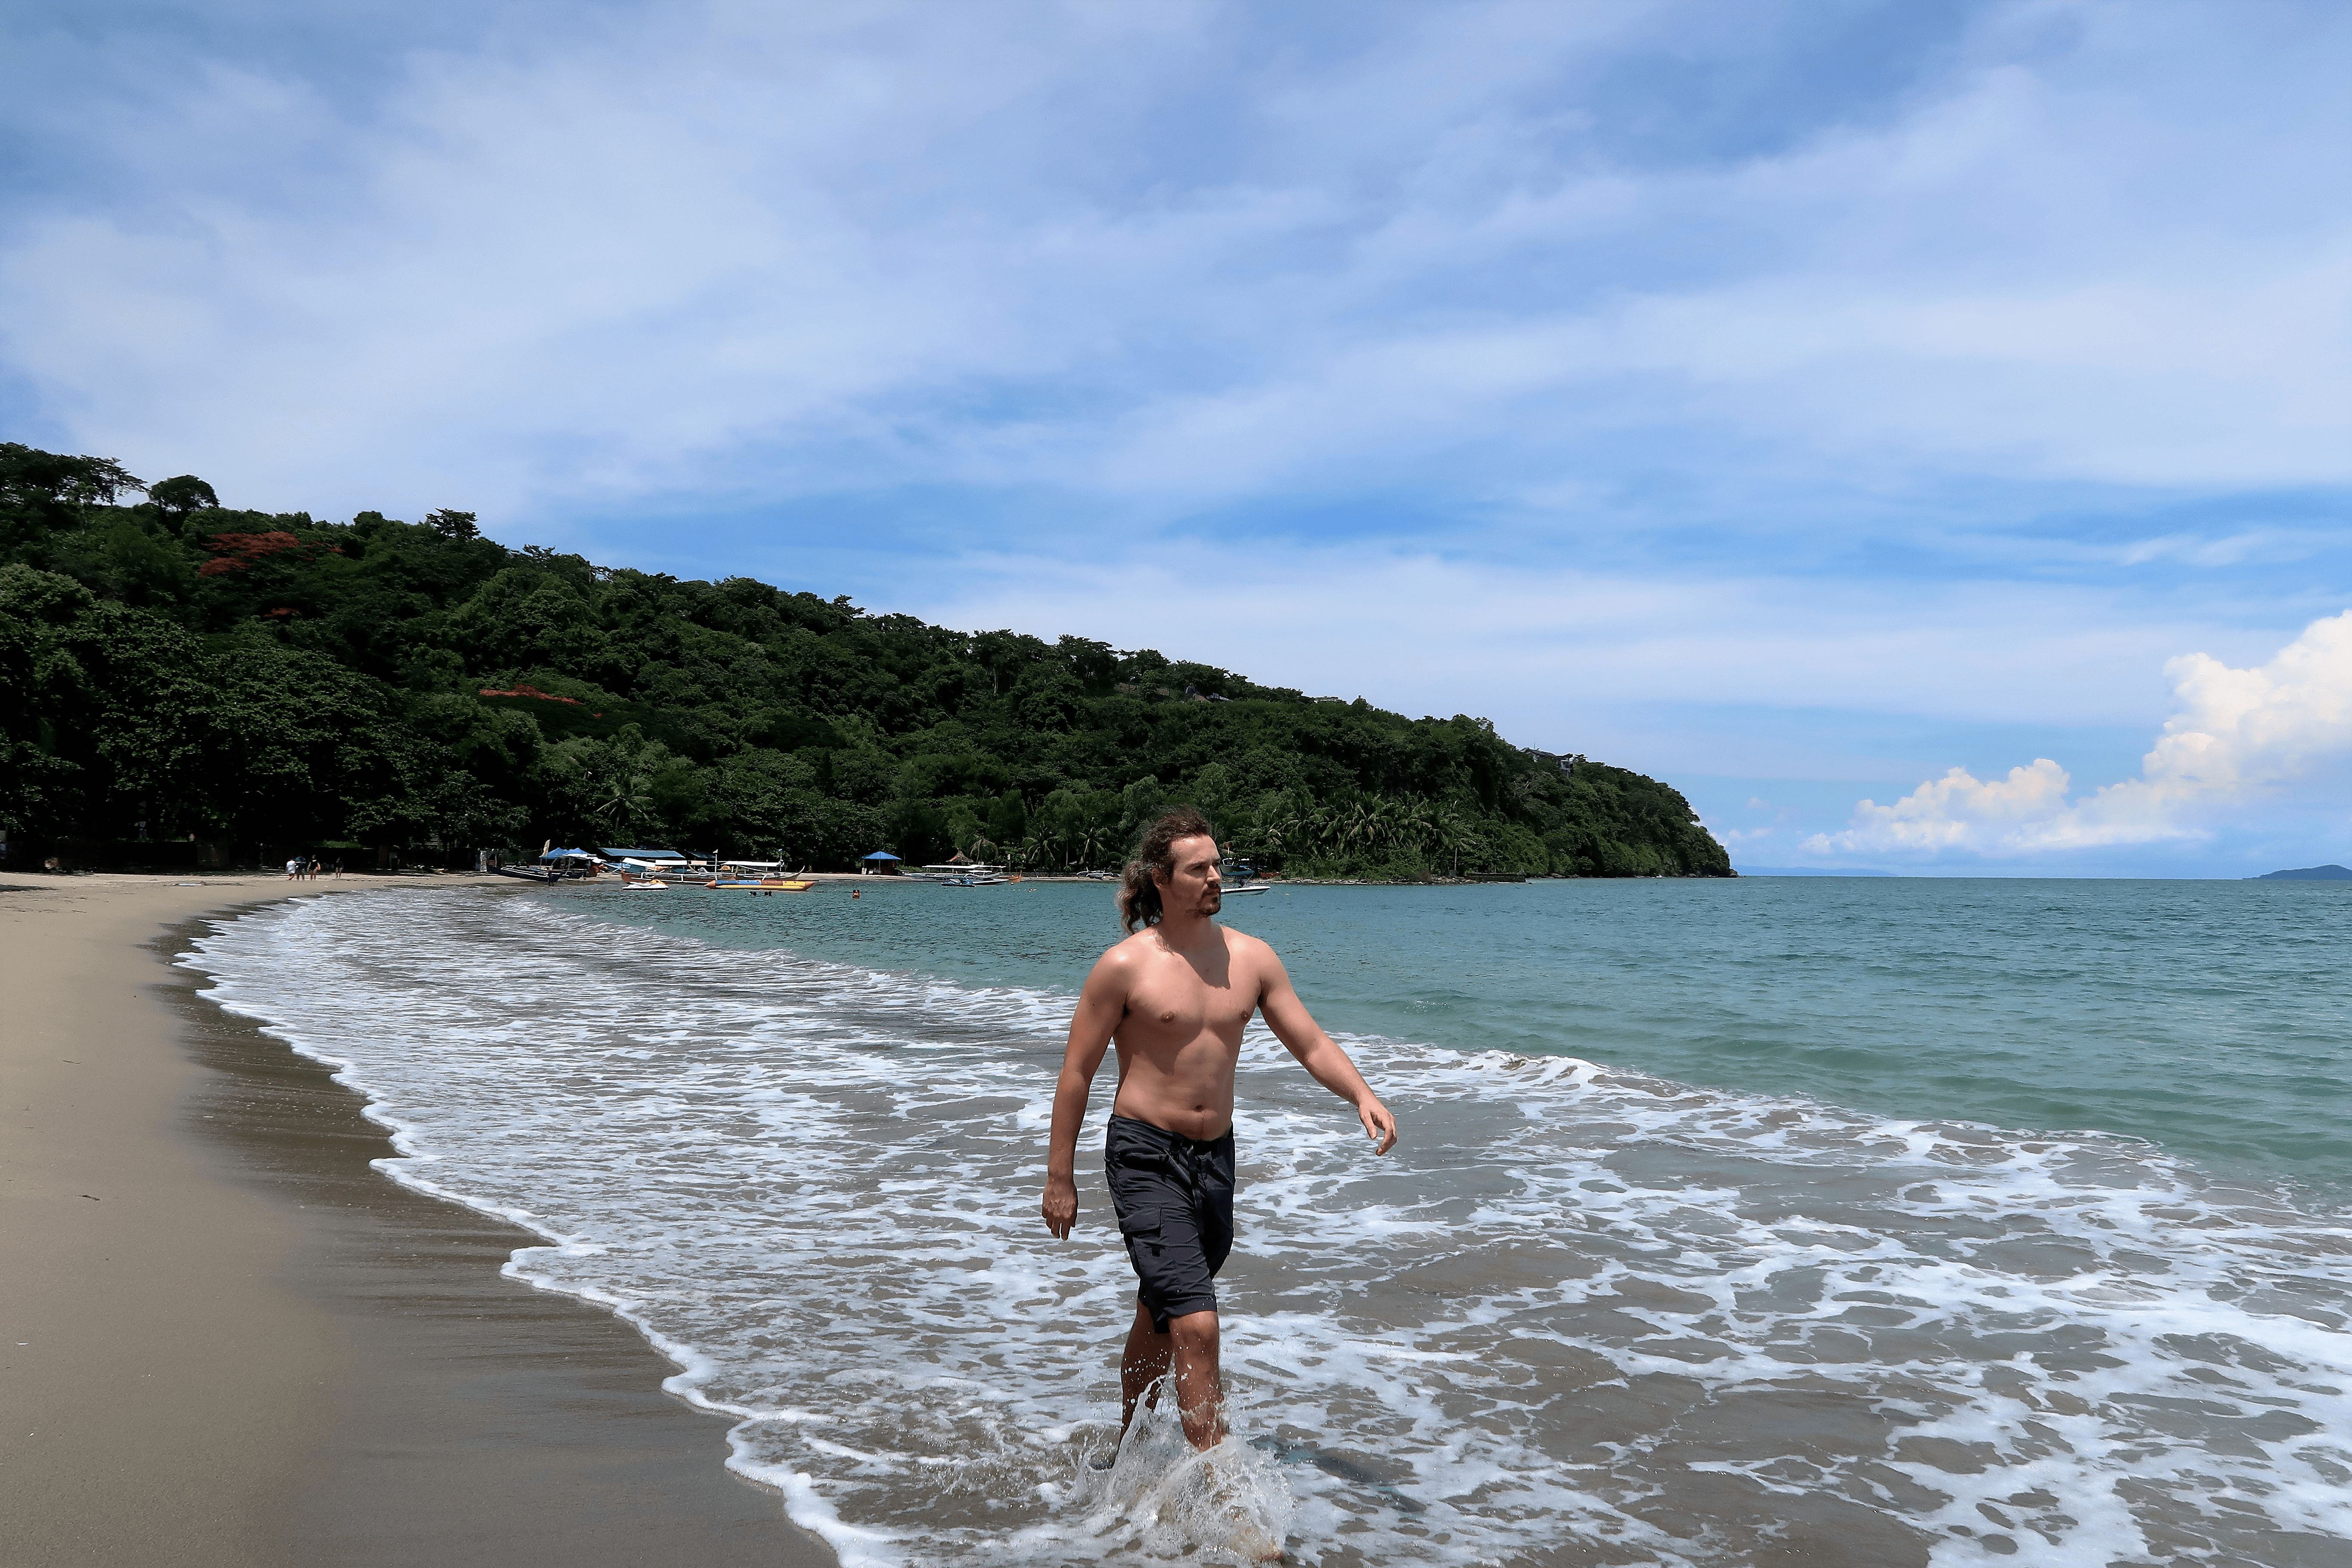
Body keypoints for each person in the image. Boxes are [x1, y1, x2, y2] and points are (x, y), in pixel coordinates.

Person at [1041, 808, 1397, 1456]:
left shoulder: (1252, 959)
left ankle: (1128, 1447)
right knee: (1198, 1322)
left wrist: (1361, 1094)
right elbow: (1076, 1074)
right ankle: (1226, 1495)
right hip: (1144, 1153)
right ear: (1161, 879)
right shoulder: (1125, 967)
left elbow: (1310, 1041)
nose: (1215, 877)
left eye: (1216, 865)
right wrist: (1058, 1177)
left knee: (1164, 1306)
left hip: (1216, 1161)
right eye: (1198, 868)